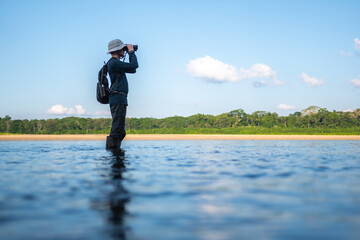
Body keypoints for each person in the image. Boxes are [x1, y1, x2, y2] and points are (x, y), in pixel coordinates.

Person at [105, 39, 138, 149]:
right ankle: (113, 156)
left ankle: (115, 154)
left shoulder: (116, 63)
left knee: (120, 131)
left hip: (120, 98)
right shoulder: (114, 63)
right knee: (117, 130)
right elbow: (134, 65)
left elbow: (133, 70)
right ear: (118, 49)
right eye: (122, 49)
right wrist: (131, 52)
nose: (124, 50)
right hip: (117, 98)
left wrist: (129, 53)